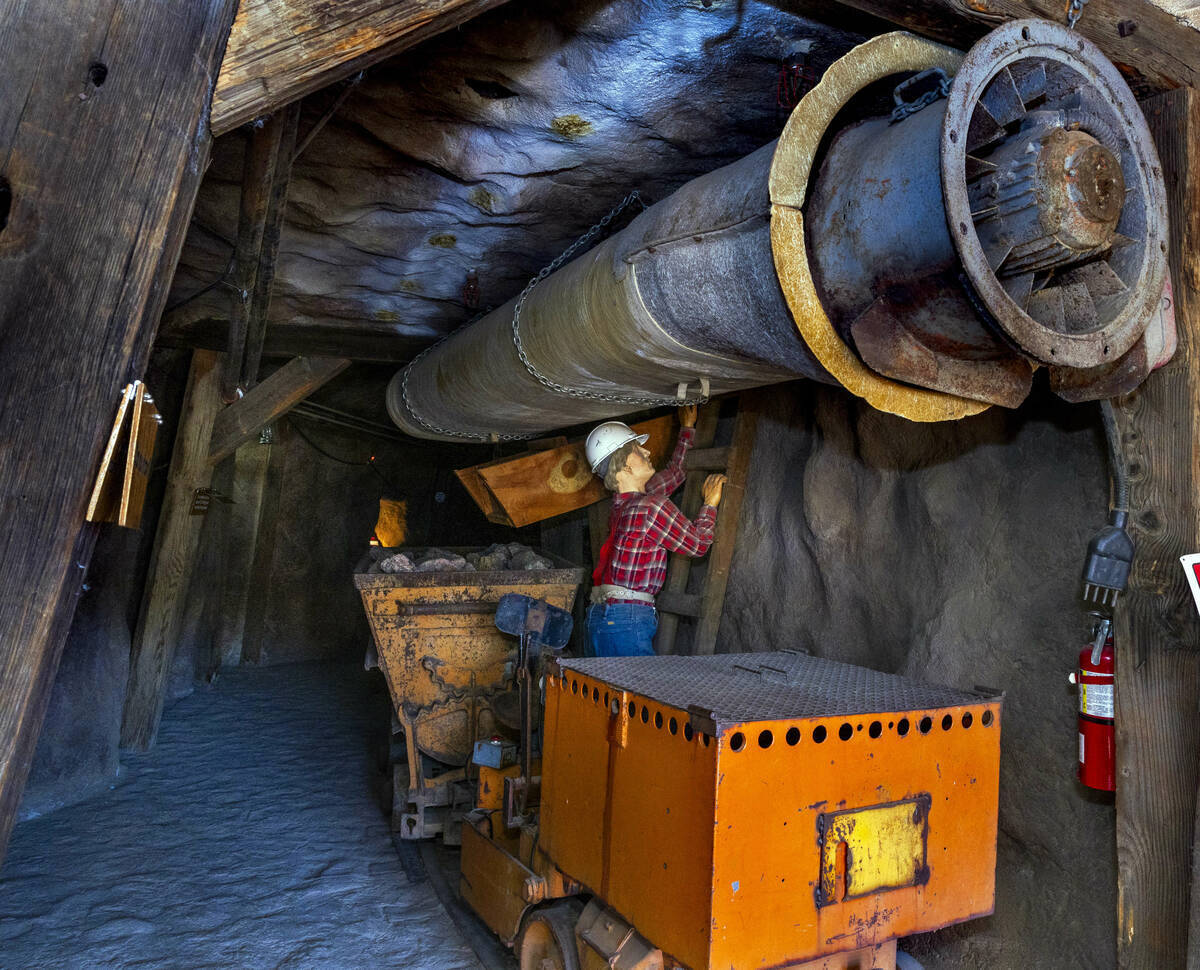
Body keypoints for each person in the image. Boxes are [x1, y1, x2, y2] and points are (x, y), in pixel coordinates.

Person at [583, 405, 726, 656]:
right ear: (625, 466)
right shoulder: (650, 507)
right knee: (634, 683)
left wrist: (687, 428)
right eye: (637, 450)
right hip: (626, 619)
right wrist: (710, 504)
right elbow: (698, 544)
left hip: (601, 616)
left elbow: (676, 472)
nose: (647, 451)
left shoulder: (624, 504)